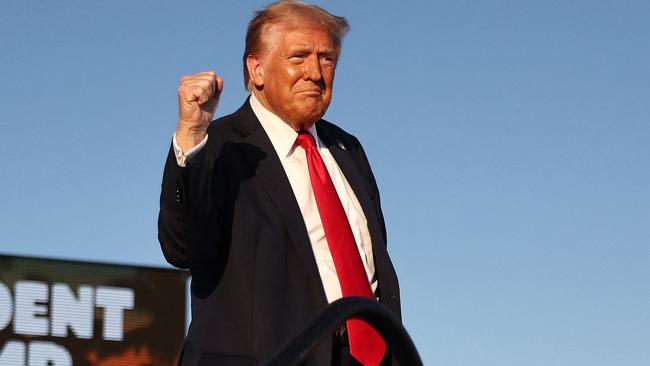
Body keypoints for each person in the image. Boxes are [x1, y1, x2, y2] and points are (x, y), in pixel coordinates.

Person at [158, 1, 401, 365]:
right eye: (299, 57)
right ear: (256, 68)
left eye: (327, 58)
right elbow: (183, 248)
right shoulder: (219, 144)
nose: (315, 73)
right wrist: (191, 136)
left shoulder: (348, 150)